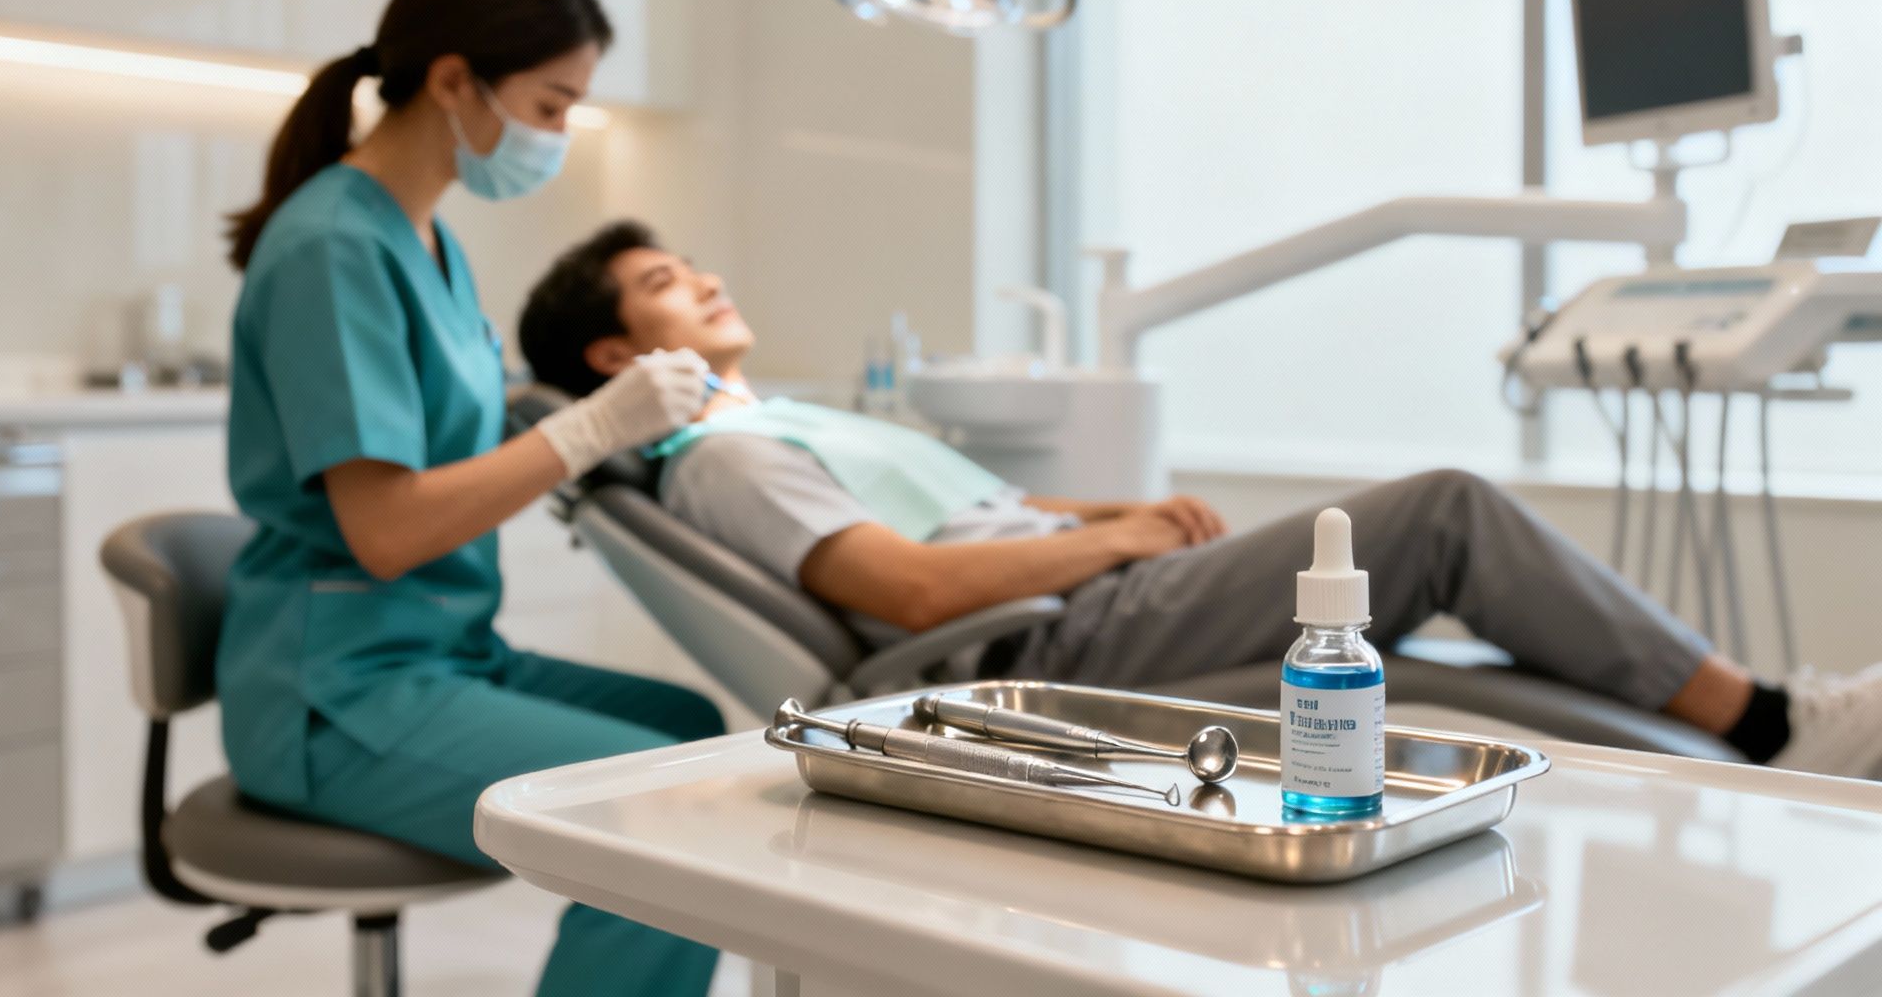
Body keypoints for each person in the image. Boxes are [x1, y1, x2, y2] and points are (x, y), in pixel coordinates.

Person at [517, 221, 1882, 779]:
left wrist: (1110, 512)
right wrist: (1110, 538)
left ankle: (1724, 729)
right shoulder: (727, 456)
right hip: (1049, 642)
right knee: (1441, 514)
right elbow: (908, 592)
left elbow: (961, 513)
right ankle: (1768, 724)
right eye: (660, 286)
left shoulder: (792, 415)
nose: (699, 282)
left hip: (1086, 590)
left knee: (1419, 648)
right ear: (617, 359)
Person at [220, 0, 722, 996]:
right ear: (454, 80)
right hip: (336, 692)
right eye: (548, 105)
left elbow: (463, 436)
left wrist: (609, 426)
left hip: (443, 654)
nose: (556, 135)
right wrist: (586, 431)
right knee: (666, 824)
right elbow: (388, 529)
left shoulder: (429, 243)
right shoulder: (332, 248)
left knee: (690, 737)